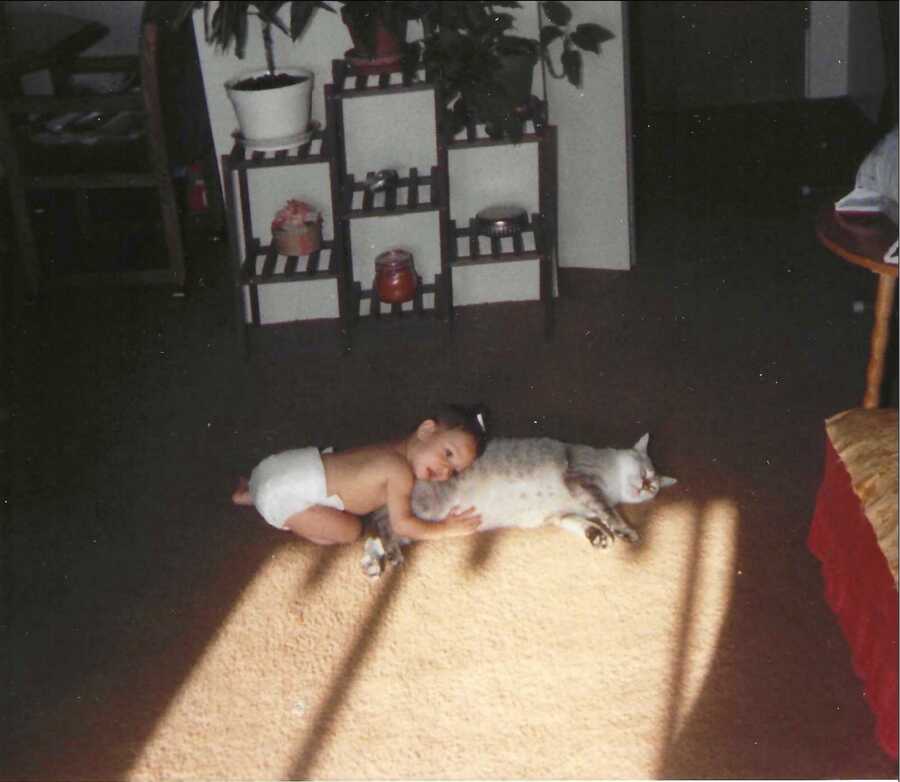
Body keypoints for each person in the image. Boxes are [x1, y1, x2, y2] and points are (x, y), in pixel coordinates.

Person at [231, 404, 489, 546]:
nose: (445, 471)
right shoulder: (400, 473)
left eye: (454, 472)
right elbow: (403, 525)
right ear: (425, 430)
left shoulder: (392, 448)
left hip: (281, 466)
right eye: (448, 454)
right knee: (350, 530)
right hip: (281, 494)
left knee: (323, 478)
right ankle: (268, 502)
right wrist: (445, 529)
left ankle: (251, 491)